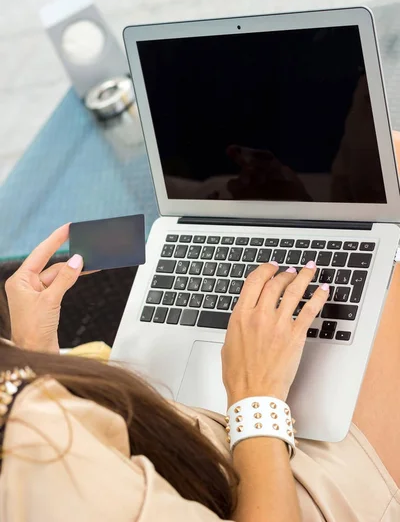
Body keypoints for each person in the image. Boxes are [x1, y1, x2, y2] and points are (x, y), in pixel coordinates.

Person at [1, 137, 400, 522]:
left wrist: (36, 354)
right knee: (391, 161)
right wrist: (255, 395)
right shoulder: (42, 451)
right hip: (293, 484)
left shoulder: (34, 430)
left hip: (192, 437)